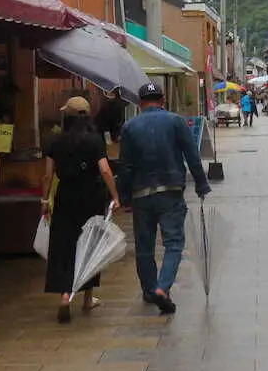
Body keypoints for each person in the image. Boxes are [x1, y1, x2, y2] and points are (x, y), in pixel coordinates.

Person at [118, 81, 211, 314]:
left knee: (144, 247)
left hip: (141, 194)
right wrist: (201, 184)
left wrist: (124, 197)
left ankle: (150, 290)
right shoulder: (175, 122)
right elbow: (192, 156)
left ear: (140, 104)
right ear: (162, 101)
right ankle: (163, 287)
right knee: (173, 243)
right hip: (170, 192)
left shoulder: (129, 127)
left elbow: (125, 167)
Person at [42, 96, 121, 322]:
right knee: (89, 245)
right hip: (91, 198)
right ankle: (87, 298)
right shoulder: (95, 140)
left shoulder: (55, 141)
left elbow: (47, 174)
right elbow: (105, 170)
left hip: (65, 197)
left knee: (64, 245)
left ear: (66, 116)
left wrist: (44, 200)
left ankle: (65, 296)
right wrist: (115, 196)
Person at [95, 87, 128, 160]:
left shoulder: (110, 103)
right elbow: (117, 122)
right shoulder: (118, 104)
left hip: (102, 133)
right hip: (109, 134)